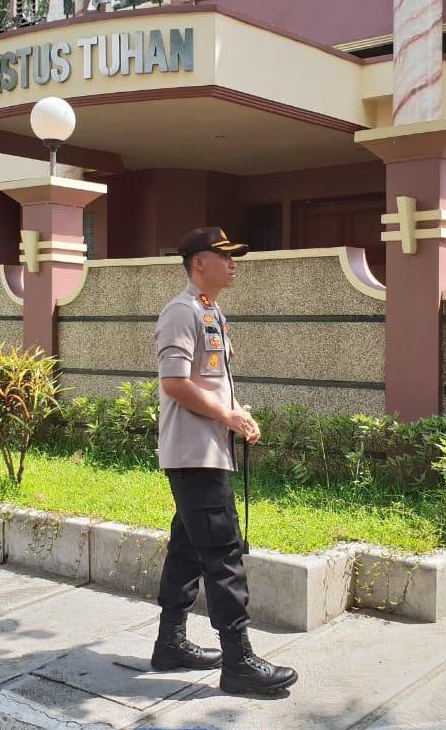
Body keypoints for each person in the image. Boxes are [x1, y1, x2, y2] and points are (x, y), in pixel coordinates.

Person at [149, 226, 299, 695]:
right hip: (195, 454)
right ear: (199, 263)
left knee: (189, 547)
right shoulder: (181, 312)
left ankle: (169, 643)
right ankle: (238, 663)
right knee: (223, 553)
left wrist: (237, 414)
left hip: (207, 449)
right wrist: (227, 416)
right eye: (225, 256)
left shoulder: (210, 311)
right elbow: (174, 383)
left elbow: (208, 383)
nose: (234, 263)